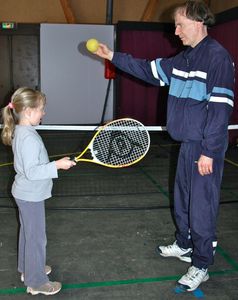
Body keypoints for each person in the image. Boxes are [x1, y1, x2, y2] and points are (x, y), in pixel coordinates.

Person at [92, 0, 235, 292]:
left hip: (204, 146)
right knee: (182, 199)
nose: (176, 30)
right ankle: (184, 244)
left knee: (201, 208)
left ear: (197, 22)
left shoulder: (218, 59)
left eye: (179, 24)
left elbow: (221, 110)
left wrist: (208, 150)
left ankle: (202, 262)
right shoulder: (183, 59)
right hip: (185, 145)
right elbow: (148, 70)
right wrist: (112, 56)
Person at [1, 87, 76, 296]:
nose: (43, 113)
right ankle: (36, 282)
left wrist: (55, 165)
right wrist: (57, 165)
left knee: (28, 233)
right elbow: (33, 172)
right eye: (41, 109)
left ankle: (28, 268)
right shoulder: (29, 138)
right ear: (27, 111)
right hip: (30, 195)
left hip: (26, 193)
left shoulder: (22, 131)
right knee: (36, 238)